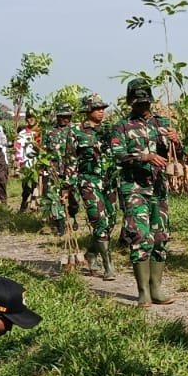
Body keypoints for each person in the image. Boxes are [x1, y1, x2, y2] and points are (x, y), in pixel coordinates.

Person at [109, 78, 178, 307]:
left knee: (160, 237)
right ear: (131, 102)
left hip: (158, 188)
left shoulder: (162, 123)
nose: (143, 107)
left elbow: (178, 154)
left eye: (146, 103)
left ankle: (156, 289)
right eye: (138, 103)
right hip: (134, 188)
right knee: (140, 236)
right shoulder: (122, 126)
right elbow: (118, 155)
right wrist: (144, 157)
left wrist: (177, 142)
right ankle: (143, 292)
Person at [73, 93, 117, 277]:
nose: (101, 112)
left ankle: (91, 253)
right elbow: (69, 159)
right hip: (88, 181)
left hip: (109, 181)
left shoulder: (109, 130)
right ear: (88, 111)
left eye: (102, 109)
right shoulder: (76, 132)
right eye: (97, 109)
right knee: (100, 221)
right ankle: (108, 266)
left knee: (111, 222)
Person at [42, 104, 78, 238]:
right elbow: (45, 151)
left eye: (67, 117)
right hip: (55, 170)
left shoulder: (75, 130)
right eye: (62, 116)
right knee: (54, 198)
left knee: (74, 197)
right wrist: (45, 166)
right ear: (57, 117)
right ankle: (60, 226)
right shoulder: (50, 132)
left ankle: (73, 214)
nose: (64, 119)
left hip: (72, 169)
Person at [15, 111, 41, 213]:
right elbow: (19, 148)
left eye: (33, 117)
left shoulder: (41, 132)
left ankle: (37, 208)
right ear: (26, 119)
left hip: (38, 164)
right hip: (27, 164)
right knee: (26, 187)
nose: (31, 119)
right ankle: (24, 204)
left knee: (38, 186)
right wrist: (19, 160)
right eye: (29, 117)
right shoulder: (23, 133)